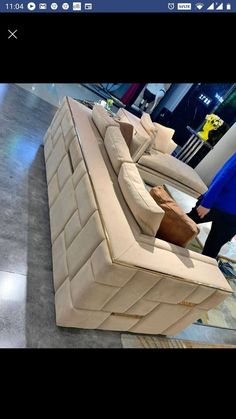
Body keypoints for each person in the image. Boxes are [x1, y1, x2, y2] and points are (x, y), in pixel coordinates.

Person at [187, 152, 236, 259]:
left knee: (211, 252)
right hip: (215, 205)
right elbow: (224, 175)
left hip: (231, 218)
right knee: (182, 223)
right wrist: (207, 203)